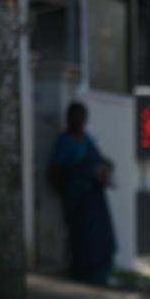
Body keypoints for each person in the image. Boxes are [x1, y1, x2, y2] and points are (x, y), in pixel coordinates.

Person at [48, 102, 117, 285]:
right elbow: (54, 173)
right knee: (81, 241)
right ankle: (81, 275)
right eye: (75, 117)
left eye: (81, 117)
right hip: (77, 201)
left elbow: (101, 160)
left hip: (94, 201)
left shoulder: (87, 140)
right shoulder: (64, 142)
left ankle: (101, 276)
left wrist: (105, 168)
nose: (79, 121)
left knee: (101, 239)